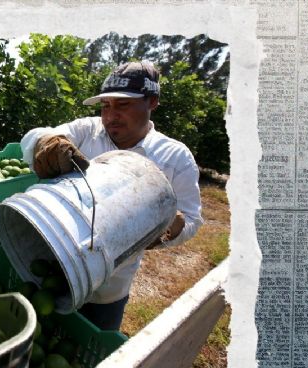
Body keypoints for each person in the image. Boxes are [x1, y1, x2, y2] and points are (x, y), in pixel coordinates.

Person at [20, 61, 203, 331]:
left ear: (152, 102)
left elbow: (192, 219)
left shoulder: (174, 157)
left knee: (93, 346)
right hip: (54, 262)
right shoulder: (88, 131)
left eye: (123, 105)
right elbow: (35, 136)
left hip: (110, 286)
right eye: (106, 105)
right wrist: (46, 144)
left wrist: (168, 229)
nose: (110, 116)